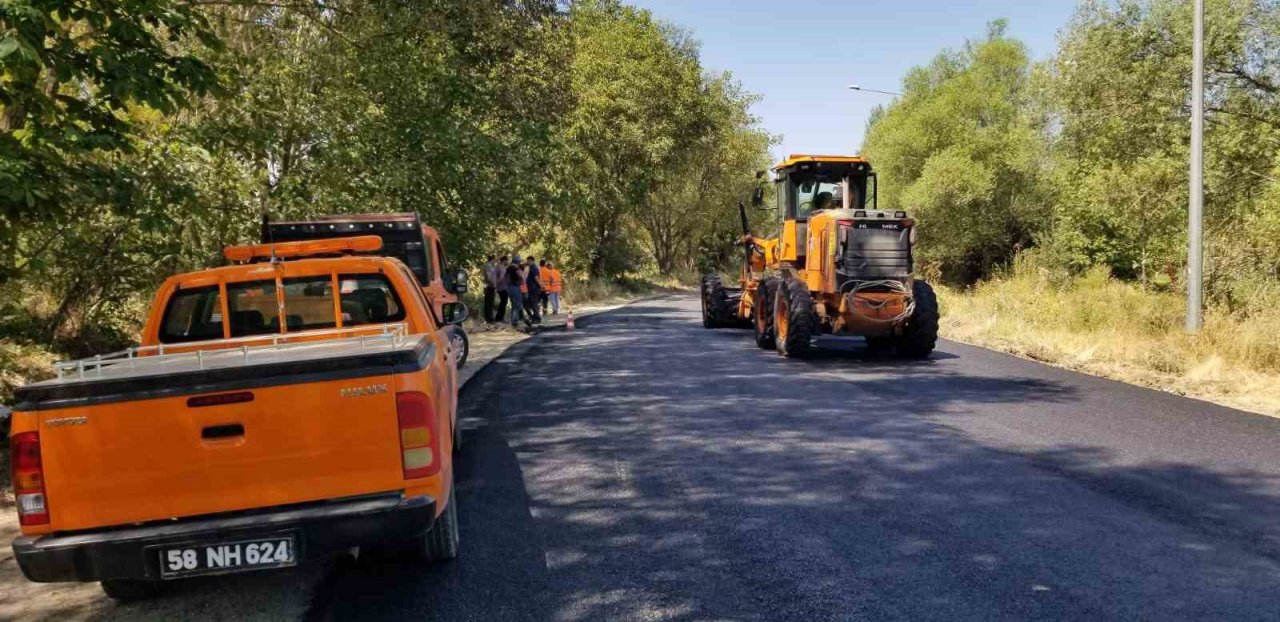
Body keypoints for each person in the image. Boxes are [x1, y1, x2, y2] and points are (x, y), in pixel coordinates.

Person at [506, 254, 527, 328]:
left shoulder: (508, 268)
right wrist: (522, 281)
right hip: (515, 287)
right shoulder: (516, 269)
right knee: (516, 304)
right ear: (517, 261)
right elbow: (522, 277)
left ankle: (516, 320)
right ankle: (515, 321)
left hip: (509, 288)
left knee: (514, 304)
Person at [524, 255, 542, 324]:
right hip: (530, 288)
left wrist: (541, 286)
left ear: (533, 261)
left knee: (533, 303)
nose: (528, 262)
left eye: (530, 261)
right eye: (527, 261)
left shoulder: (534, 268)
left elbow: (536, 278)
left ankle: (537, 318)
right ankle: (534, 316)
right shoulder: (529, 268)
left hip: (534, 288)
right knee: (529, 303)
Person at [481, 255, 498, 323]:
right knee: (489, 302)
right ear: (492, 259)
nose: (495, 261)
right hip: (489, 286)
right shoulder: (488, 266)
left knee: (490, 302)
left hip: (490, 286)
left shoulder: (490, 266)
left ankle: (489, 317)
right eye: (495, 260)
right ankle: (489, 318)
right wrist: (493, 284)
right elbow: (489, 276)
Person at [493, 256, 510, 324]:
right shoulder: (500, 267)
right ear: (504, 261)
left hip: (503, 287)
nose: (508, 262)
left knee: (503, 303)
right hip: (502, 288)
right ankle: (500, 318)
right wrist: (497, 284)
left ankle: (499, 317)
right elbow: (501, 277)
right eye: (507, 261)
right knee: (503, 303)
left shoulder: (500, 267)